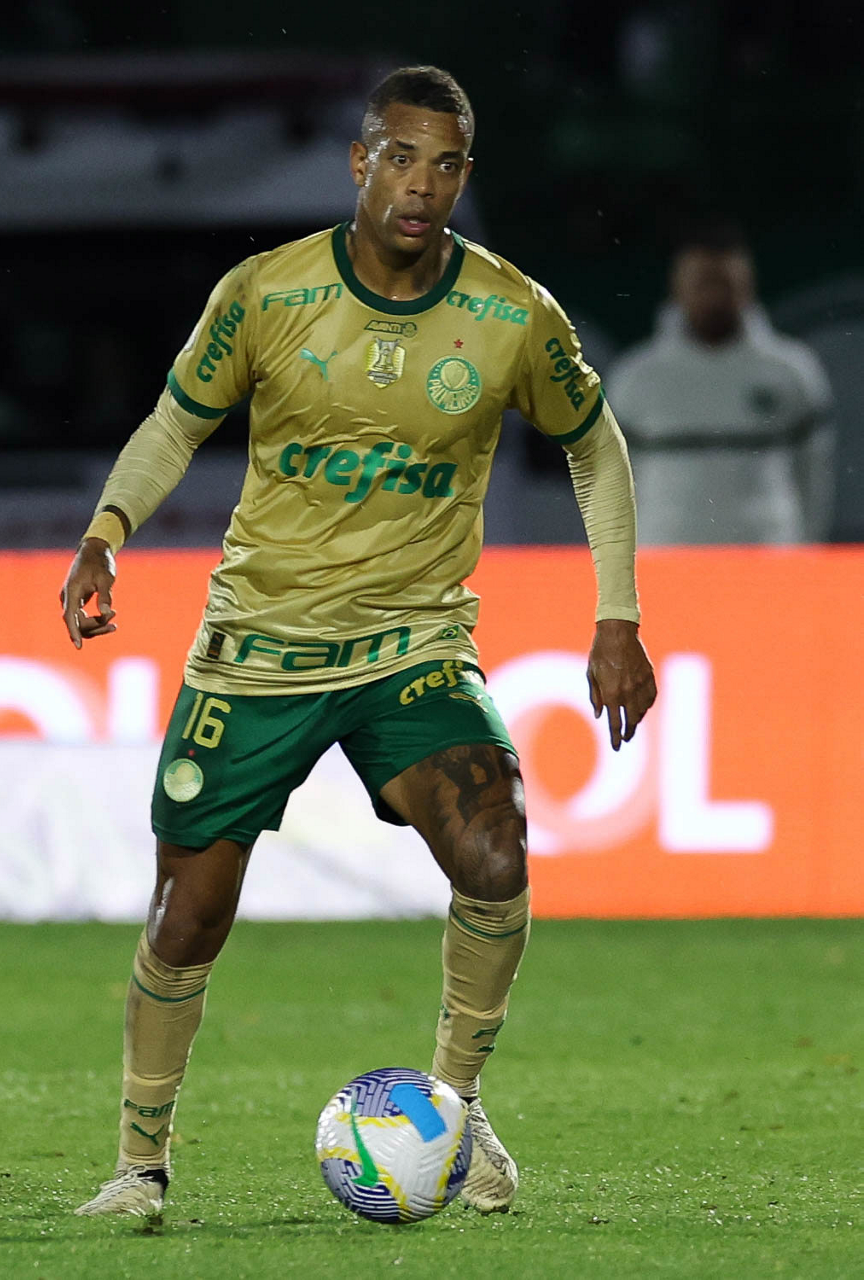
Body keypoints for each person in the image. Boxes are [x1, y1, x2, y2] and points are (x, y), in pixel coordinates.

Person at [60, 65, 656, 1220]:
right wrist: (104, 533)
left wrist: (617, 612)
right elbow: (176, 421)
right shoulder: (266, 293)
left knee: (494, 848)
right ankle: (138, 1165)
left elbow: (594, 444)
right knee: (187, 913)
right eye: (400, 158)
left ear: (464, 177)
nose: (420, 185)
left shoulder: (509, 315)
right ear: (359, 161)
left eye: (445, 165)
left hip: (410, 643)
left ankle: (455, 1106)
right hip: (259, 645)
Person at [607, 226, 835, 544]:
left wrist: (804, 555)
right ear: (677, 287)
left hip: (767, 557)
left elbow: (814, 477)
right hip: (664, 557)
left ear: (748, 285)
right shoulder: (633, 378)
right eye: (703, 282)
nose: (715, 296)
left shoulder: (793, 371)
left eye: (725, 283)